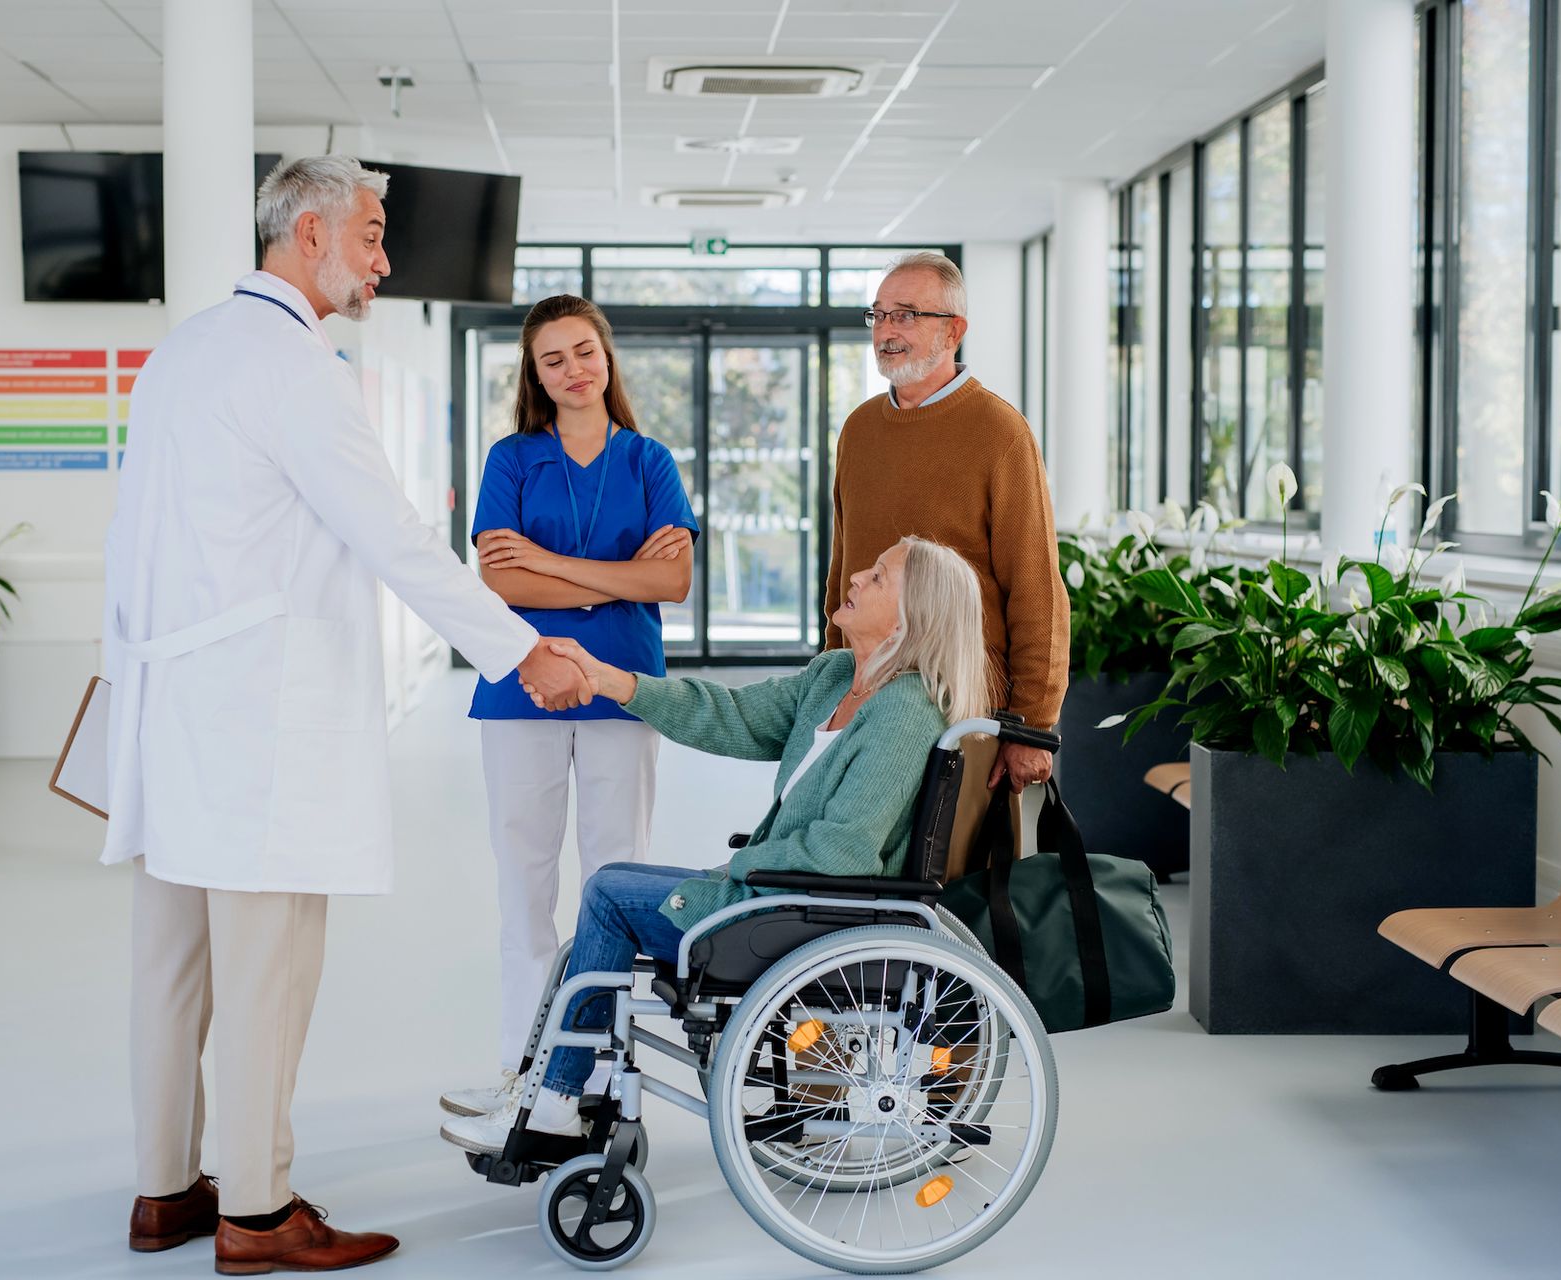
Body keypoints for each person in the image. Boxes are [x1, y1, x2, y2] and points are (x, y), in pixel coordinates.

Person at [100, 156, 590, 1273]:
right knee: (265, 969)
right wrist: (520, 650)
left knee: (171, 966)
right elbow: (396, 538)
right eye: (370, 235)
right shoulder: (296, 366)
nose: (383, 259)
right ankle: (261, 1213)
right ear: (309, 232)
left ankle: (165, 1188)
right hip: (259, 719)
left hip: (177, 709)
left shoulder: (183, 352)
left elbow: (134, 538)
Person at [439, 536, 990, 1152]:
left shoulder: (905, 712)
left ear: (915, 615)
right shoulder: (836, 677)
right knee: (610, 889)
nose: (857, 576)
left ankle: (554, 1101)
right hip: (775, 894)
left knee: (611, 895)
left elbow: (845, 853)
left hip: (810, 910)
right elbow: (734, 714)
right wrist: (613, 682)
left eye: (880, 575)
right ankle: (543, 1087)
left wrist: (743, 866)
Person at [439, 295, 698, 1121]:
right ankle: (525, 1067)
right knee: (525, 884)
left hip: (623, 690)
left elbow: (672, 582)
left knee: (615, 878)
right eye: (554, 360)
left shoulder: (650, 460)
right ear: (536, 375)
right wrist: (614, 573)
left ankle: (597, 1073)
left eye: (584, 352)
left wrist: (553, 562)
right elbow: (500, 582)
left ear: (607, 356)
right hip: (523, 689)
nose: (574, 370)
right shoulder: (511, 459)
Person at [824, 251, 1070, 791]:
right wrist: (828, 677)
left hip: (961, 706)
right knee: (852, 858)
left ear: (954, 329)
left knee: (955, 869)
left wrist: (1031, 727)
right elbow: (842, 567)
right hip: (864, 692)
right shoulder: (858, 430)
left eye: (906, 314)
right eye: (879, 314)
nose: (887, 330)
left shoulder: (1001, 432)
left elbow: (1036, 588)